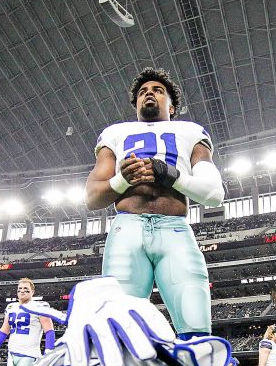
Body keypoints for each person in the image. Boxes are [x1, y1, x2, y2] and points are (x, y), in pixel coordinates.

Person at [84, 67, 225, 342]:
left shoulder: (190, 131)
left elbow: (213, 193)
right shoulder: (115, 133)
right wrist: (122, 181)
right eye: (143, 92)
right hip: (127, 227)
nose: (149, 93)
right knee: (118, 330)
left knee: (196, 326)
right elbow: (92, 197)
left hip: (174, 228)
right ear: (136, 103)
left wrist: (171, 175)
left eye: (158, 90)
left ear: (172, 107)